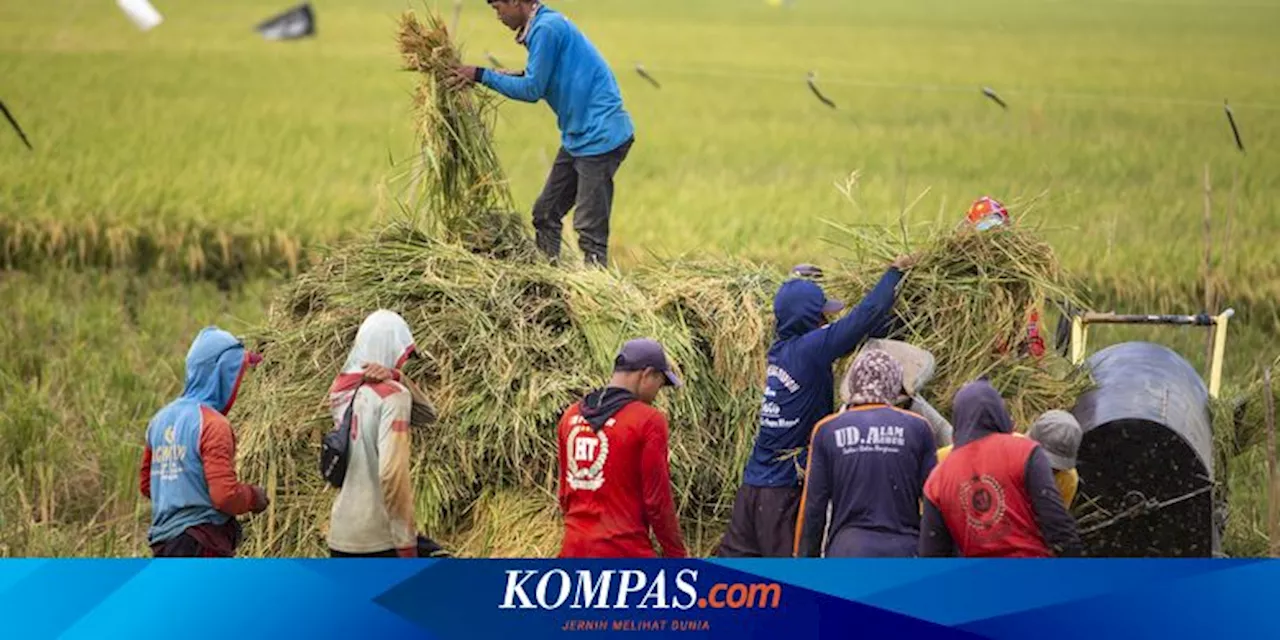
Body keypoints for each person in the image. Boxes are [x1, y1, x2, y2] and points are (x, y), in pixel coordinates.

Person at [716, 256, 913, 557]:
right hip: (782, 492)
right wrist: (894, 274)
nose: (829, 321)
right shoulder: (810, 350)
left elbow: (845, 339)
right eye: (824, 315)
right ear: (812, 319)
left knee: (740, 574)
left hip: (753, 486)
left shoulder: (781, 349)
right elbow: (865, 315)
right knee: (788, 584)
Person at [455, 0, 634, 267]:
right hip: (578, 137)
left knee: (589, 228)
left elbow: (532, 89)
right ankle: (547, 283)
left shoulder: (546, 29)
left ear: (516, 2)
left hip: (600, 137)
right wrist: (506, 75)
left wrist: (481, 75)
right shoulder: (543, 25)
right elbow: (539, 76)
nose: (498, 16)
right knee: (545, 213)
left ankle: (599, 293)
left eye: (498, 8)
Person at [794, 350, 936, 557]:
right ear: (894, 384)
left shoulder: (827, 430)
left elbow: (813, 507)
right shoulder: (919, 428)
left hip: (848, 553)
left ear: (853, 382)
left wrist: (806, 562)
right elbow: (934, 502)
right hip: (904, 552)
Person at [140, 327, 268, 557]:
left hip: (163, 544)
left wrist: (182, 489)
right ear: (221, 375)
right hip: (201, 546)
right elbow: (225, 496)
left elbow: (147, 485)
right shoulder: (213, 425)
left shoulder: (159, 420)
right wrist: (253, 497)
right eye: (236, 373)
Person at [920, 380, 1083, 557]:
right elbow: (1058, 525)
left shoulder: (938, 476)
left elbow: (933, 551)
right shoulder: (1024, 452)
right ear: (1000, 414)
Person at [557, 338, 687, 558]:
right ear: (646, 374)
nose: (658, 392)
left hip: (573, 551)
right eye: (660, 383)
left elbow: (564, 495)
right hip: (624, 553)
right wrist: (677, 556)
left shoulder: (570, 416)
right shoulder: (648, 421)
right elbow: (657, 502)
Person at [327, 310, 424, 558]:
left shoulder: (341, 390)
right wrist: (405, 544)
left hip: (341, 535)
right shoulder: (395, 397)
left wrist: (396, 376)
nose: (403, 362)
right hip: (378, 540)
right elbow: (392, 473)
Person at [962, 196, 1047, 359]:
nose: (991, 244)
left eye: (996, 236)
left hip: (1008, 363)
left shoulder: (1019, 285)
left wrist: (1029, 360)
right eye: (985, 236)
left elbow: (1032, 339)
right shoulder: (960, 279)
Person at [1027, 410, 1083, 509]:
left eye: (1056, 468)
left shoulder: (1067, 479)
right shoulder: (1004, 451)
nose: (1049, 472)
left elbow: (1054, 518)